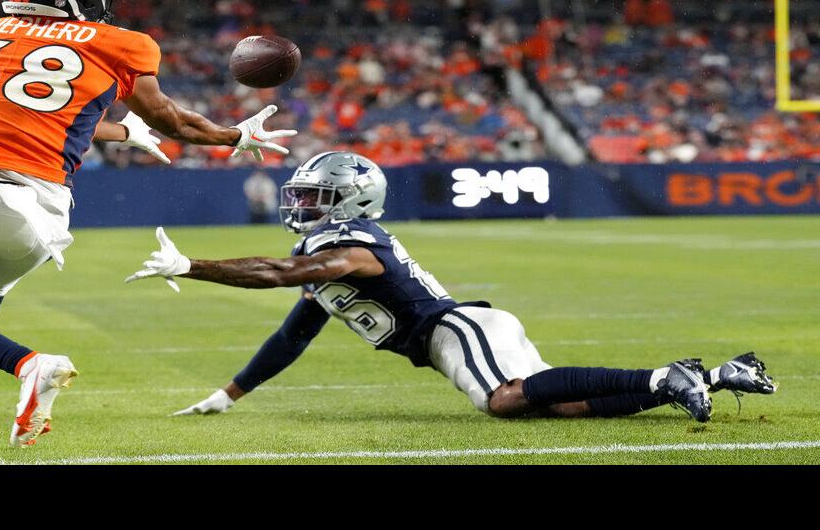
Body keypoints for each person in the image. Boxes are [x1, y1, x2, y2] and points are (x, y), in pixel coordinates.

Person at [0, 0, 296, 447]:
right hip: (46, 213)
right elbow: (169, 120)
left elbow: (8, 107)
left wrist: (125, 130)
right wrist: (232, 135)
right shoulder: (120, 43)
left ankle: (28, 365)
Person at [126, 151, 776, 421]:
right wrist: (227, 395)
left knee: (505, 399)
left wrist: (192, 267)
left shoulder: (353, 250)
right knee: (557, 406)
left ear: (349, 200)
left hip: (457, 328)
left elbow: (279, 276)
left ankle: (664, 378)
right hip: (452, 338)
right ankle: (715, 375)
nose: (301, 204)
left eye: (314, 196)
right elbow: (294, 333)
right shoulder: (327, 249)